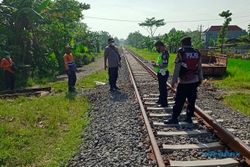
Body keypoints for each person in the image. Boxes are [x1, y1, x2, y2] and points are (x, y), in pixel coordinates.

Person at [164, 36, 203, 124]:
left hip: (184, 82)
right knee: (191, 101)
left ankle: (174, 118)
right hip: (194, 81)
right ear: (190, 43)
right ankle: (189, 118)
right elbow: (200, 67)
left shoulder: (181, 53)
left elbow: (177, 69)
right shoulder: (197, 53)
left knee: (179, 101)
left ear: (182, 44)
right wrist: (201, 79)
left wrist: (173, 83)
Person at [152, 41, 169, 107]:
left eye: (157, 47)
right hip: (161, 73)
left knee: (163, 88)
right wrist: (156, 64)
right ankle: (160, 100)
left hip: (163, 73)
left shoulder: (164, 54)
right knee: (161, 87)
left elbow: (165, 65)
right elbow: (161, 63)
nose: (157, 49)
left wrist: (156, 65)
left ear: (160, 46)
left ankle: (164, 103)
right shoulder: (163, 53)